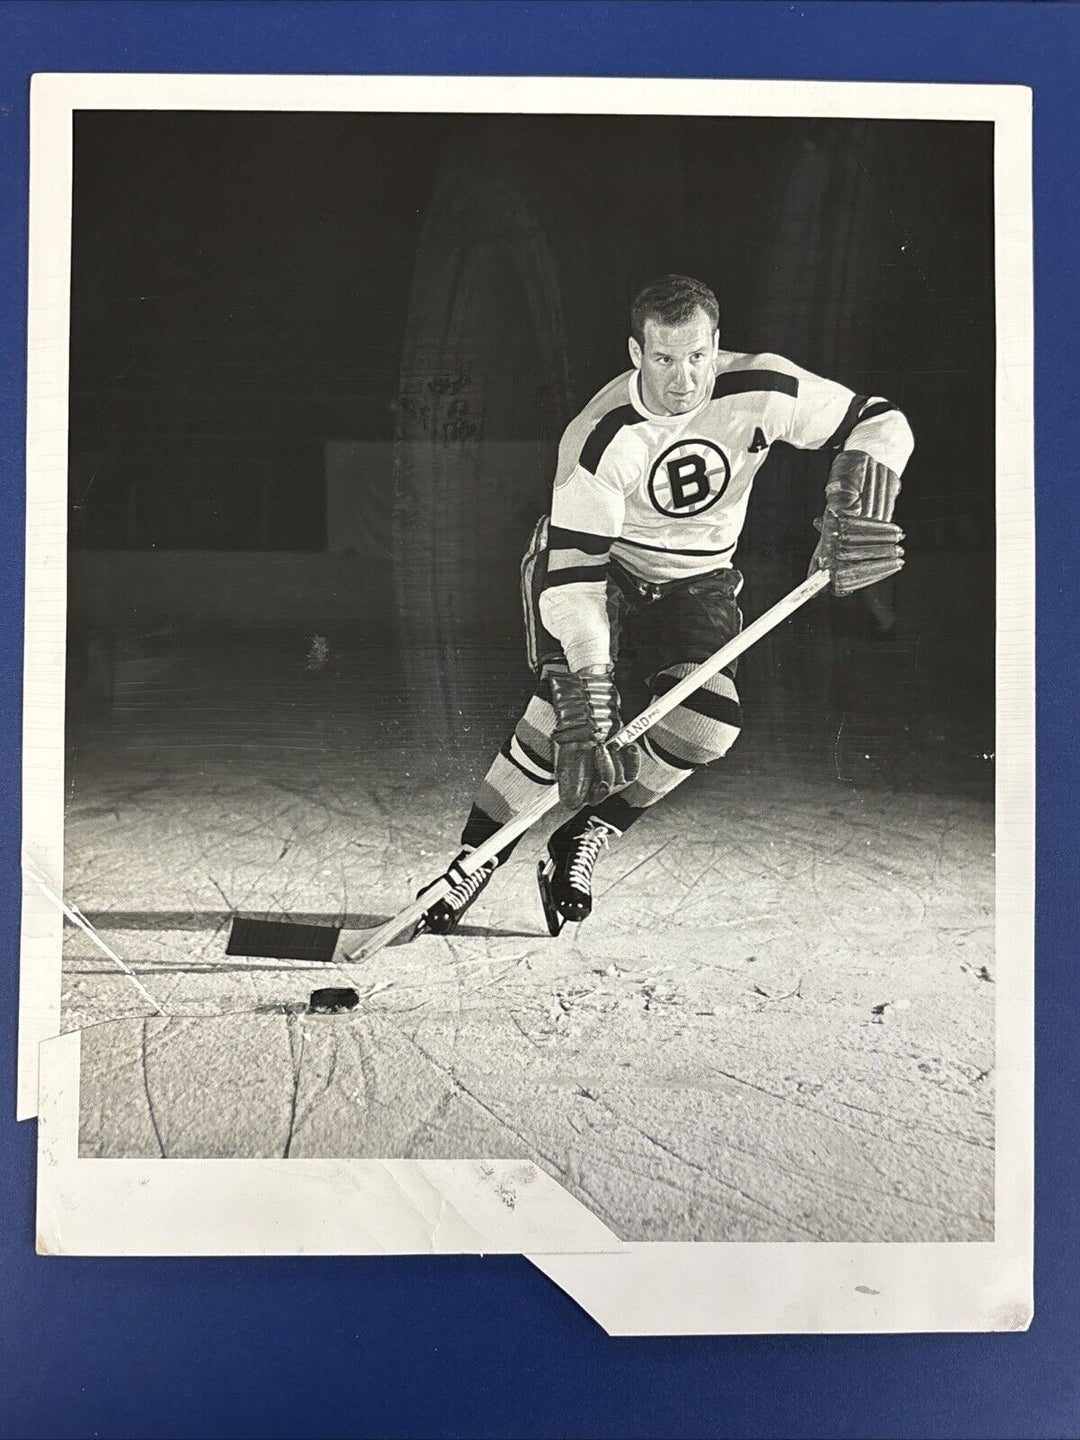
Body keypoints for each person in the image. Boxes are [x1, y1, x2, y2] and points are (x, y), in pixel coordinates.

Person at [416, 274, 913, 936]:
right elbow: (575, 577)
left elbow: (880, 419)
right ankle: (474, 857)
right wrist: (591, 684)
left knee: (708, 728)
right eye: (664, 359)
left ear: (717, 346)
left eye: (698, 356)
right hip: (603, 572)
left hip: (701, 577)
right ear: (635, 354)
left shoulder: (761, 389)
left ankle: (582, 838)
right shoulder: (598, 436)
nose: (684, 379)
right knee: (560, 720)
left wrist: (861, 484)